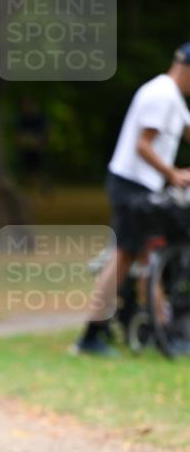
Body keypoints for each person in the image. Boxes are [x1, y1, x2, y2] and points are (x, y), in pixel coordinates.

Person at [75, 43, 190, 355]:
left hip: (141, 186)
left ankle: (160, 329)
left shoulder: (173, 98)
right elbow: (143, 145)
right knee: (125, 255)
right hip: (131, 186)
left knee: (143, 257)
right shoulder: (162, 96)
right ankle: (91, 335)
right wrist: (172, 173)